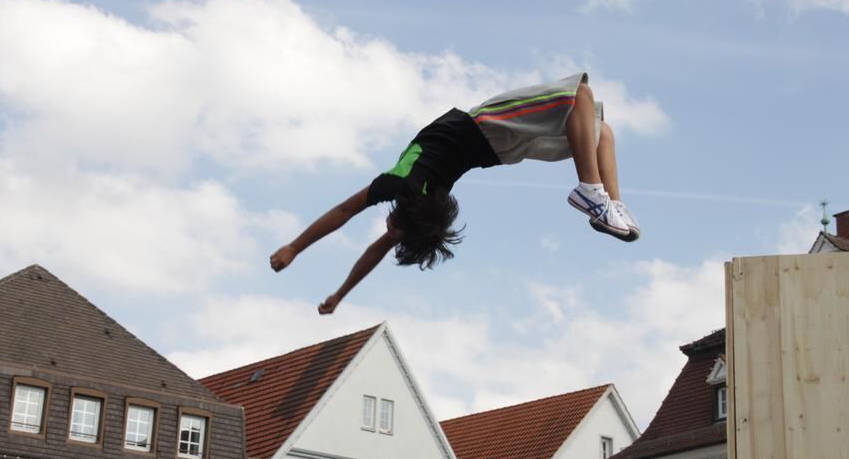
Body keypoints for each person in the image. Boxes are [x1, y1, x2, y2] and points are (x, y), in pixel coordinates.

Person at [270, 72, 639, 314]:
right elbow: (344, 212)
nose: (386, 233)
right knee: (579, 94)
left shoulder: (422, 200)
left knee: (599, 131)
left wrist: (319, 273)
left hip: (499, 153)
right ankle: (592, 193)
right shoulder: (398, 186)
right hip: (486, 127)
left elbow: (357, 230)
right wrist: (309, 264)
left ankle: (611, 205)